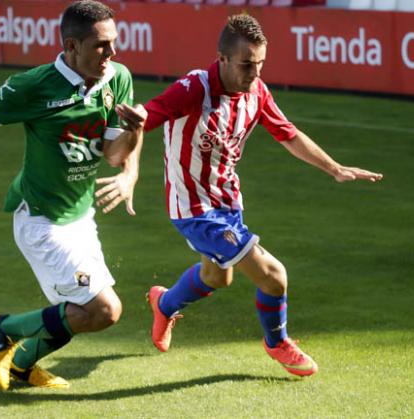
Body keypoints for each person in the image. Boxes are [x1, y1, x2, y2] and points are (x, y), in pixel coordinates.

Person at [107, 14, 383, 377]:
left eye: (261, 64)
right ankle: (278, 342)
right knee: (274, 276)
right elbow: (153, 111)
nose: (254, 73)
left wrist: (334, 168)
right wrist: (138, 117)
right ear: (222, 59)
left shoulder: (257, 92)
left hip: (227, 203)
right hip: (194, 209)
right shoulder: (194, 88)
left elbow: (288, 134)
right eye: (247, 65)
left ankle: (165, 304)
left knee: (218, 277)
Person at [0, 0, 143, 391]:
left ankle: (22, 366)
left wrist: (133, 148)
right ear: (72, 47)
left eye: (113, 42)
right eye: (101, 45)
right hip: (40, 221)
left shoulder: (117, 78)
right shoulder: (34, 85)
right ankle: (4, 329)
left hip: (80, 217)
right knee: (105, 309)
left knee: (84, 312)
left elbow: (114, 154)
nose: (112, 53)